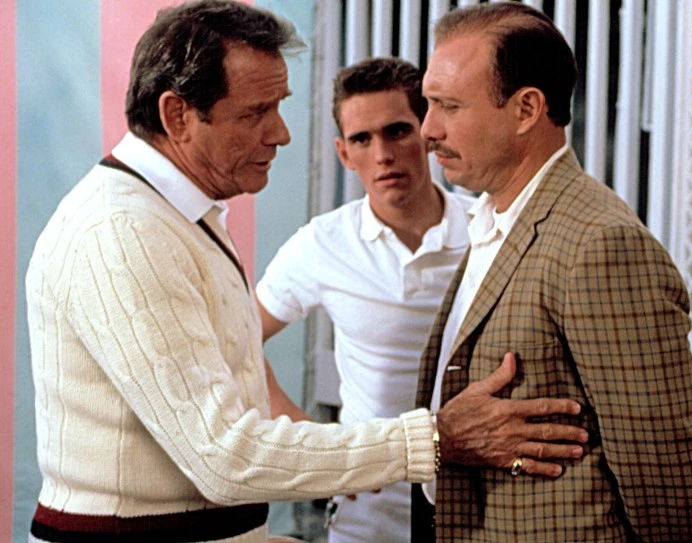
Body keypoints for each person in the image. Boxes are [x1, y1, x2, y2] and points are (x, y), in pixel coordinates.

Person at [25, 2, 589, 542]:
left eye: (279, 107)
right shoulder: (124, 232)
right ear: (178, 116)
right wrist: (435, 438)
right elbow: (223, 458)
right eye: (256, 113)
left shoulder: (181, 218)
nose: (281, 134)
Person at [413, 2, 692, 542]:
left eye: (449, 106)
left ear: (527, 109)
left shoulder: (599, 244)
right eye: (428, 104)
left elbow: (668, 475)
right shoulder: (495, 218)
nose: (427, 130)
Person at [255, 57, 476, 543]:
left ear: (427, 133)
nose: (383, 154)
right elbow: (237, 341)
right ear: (343, 153)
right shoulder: (324, 243)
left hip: (480, 502)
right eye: (362, 139)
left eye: (397, 131)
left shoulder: (486, 230)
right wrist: (322, 446)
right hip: (369, 513)